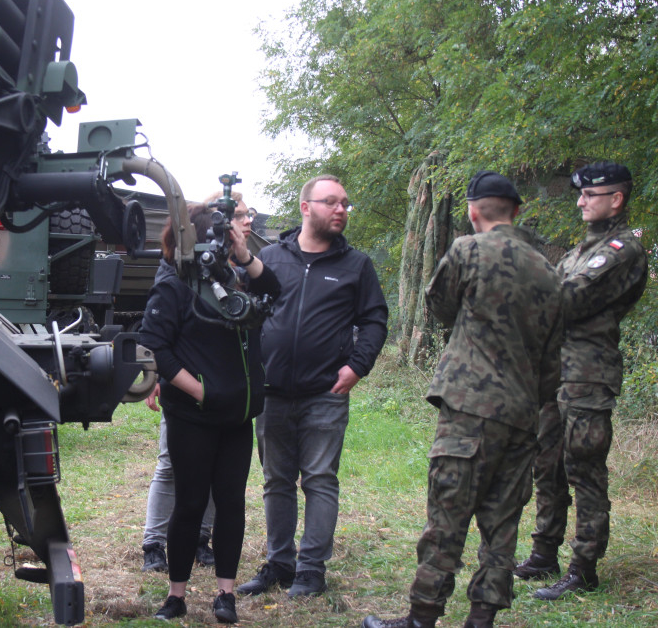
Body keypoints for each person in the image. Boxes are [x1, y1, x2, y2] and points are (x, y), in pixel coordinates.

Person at [362, 170, 564, 628]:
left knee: (447, 519)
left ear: (473, 211)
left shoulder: (467, 250)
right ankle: (481, 620)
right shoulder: (550, 273)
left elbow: (440, 306)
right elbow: (554, 363)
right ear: (517, 212)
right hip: (523, 417)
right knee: (502, 526)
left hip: (469, 412)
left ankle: (422, 616)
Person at [238, 174, 388, 598]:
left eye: (345, 203)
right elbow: (242, 310)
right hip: (271, 392)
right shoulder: (273, 259)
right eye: (331, 202)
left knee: (320, 479)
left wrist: (357, 367)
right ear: (306, 208)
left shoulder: (356, 265)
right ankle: (279, 564)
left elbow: (375, 320)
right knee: (276, 481)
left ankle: (311, 570)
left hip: (325, 392)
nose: (341, 209)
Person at [140, 200, 280, 623]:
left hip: (237, 415)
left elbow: (274, 292)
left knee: (231, 502)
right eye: (225, 233)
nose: (231, 238)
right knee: (189, 502)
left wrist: (244, 256)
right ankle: (177, 595)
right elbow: (156, 345)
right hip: (193, 417)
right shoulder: (175, 282)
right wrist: (197, 390)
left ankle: (225, 594)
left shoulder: (236, 277)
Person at [514, 161, 648, 600]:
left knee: (583, 467)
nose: (580, 201)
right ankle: (544, 553)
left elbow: (566, 300)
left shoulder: (620, 249)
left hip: (588, 375)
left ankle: (584, 567)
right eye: (581, 194)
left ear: (617, 199)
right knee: (546, 463)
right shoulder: (580, 251)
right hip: (556, 371)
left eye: (590, 195)